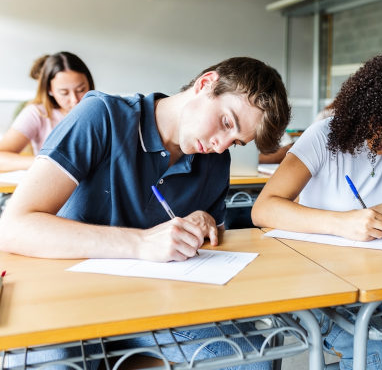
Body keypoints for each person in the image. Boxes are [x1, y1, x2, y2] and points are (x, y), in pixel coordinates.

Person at [0, 56, 290, 368]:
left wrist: (204, 225)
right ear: (205, 84)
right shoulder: (102, 116)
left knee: (256, 357)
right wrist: (142, 243)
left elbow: (212, 243)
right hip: (68, 298)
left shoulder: (215, 161)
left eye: (235, 142)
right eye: (226, 123)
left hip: (155, 304)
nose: (221, 146)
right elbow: (13, 228)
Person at [252, 49, 382, 370]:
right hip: (323, 281)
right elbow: (264, 210)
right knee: (377, 356)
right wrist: (342, 223)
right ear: (370, 104)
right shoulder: (324, 136)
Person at [0, 52, 94, 171]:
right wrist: (49, 161)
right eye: (64, 93)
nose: (74, 100)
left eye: (81, 89)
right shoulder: (37, 113)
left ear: (89, 84)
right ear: (50, 90)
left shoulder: (102, 110)